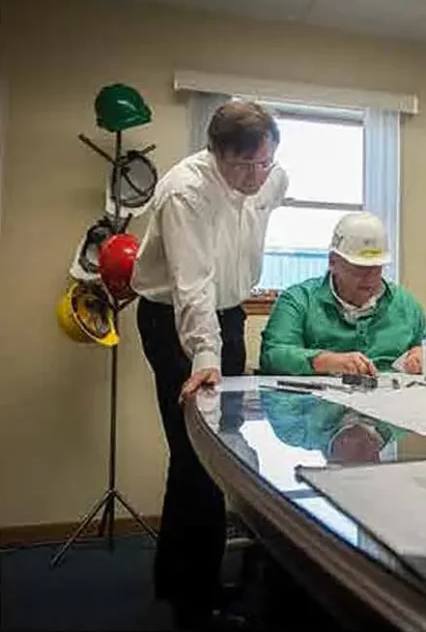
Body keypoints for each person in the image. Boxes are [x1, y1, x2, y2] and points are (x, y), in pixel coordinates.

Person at [131, 100, 288, 628]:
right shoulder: (185, 191)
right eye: (242, 167)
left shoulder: (272, 176)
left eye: (262, 164)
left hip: (230, 313)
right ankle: (191, 602)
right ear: (215, 152)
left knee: (224, 453)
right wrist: (204, 355)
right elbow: (190, 286)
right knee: (196, 452)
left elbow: (235, 253)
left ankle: (183, 579)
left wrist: (224, 331)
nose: (254, 178)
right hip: (172, 318)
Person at [260, 212, 426, 376]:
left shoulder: (406, 305)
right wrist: (325, 361)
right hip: (319, 402)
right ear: (333, 262)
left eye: (377, 268)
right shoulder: (299, 300)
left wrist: (423, 355)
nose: (370, 279)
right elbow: (273, 355)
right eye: (360, 269)